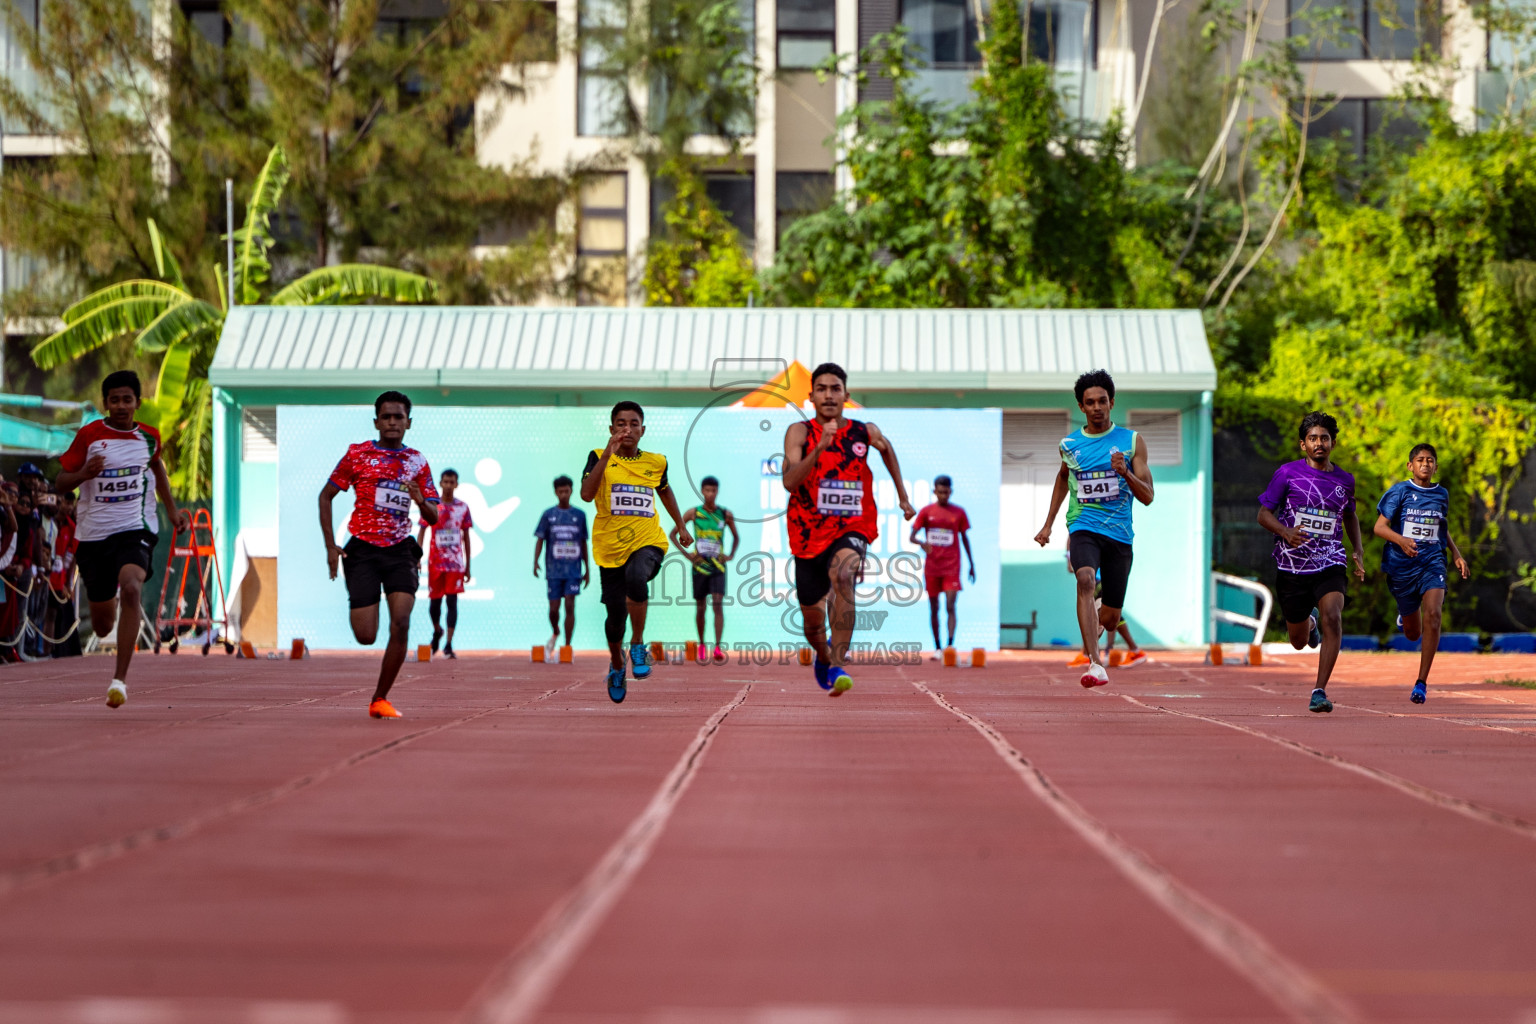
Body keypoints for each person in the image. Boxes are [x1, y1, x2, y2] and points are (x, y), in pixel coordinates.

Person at [54, 370, 191, 706]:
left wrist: (172, 513)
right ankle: (109, 603)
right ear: (105, 403)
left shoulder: (149, 438)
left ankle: (120, 681)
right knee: (102, 626)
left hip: (135, 529)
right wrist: (85, 473)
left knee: (132, 586)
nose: (120, 405)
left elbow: (157, 468)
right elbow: (60, 482)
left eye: (126, 399)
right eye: (114, 399)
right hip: (94, 536)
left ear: (137, 403)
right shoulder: (89, 436)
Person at [784, 362, 916, 696]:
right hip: (807, 534)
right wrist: (819, 447)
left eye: (836, 389)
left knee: (844, 575)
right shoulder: (799, 432)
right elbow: (789, 481)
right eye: (822, 389)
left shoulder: (863, 431)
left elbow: (887, 451)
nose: (829, 395)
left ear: (846, 395)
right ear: (811, 395)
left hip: (852, 526)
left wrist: (902, 496)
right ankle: (823, 655)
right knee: (812, 622)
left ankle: (838, 663)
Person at [318, 390, 440, 718]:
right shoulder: (357, 455)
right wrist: (331, 545)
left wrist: (419, 499)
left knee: (401, 622)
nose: (392, 422)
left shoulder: (417, 461)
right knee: (366, 635)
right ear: (376, 421)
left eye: (398, 417)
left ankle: (379, 698)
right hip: (362, 551)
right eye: (386, 416)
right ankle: (363, 610)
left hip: (401, 549)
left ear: (408, 423)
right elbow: (325, 496)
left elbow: (434, 516)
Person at [1034, 369, 1154, 689]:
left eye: (1103, 401)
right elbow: (1062, 478)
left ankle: (1098, 624)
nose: (1097, 407)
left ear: (1112, 403)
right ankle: (1095, 662)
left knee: (1112, 617)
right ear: (1081, 406)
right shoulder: (1070, 445)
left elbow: (1148, 497)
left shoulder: (1130, 441)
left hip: (1119, 536)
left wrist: (1126, 473)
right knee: (1084, 579)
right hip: (1083, 525)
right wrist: (1047, 525)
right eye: (1090, 402)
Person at [580, 401, 691, 703]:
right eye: (620, 423)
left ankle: (638, 644)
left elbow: (664, 490)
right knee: (615, 617)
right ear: (611, 429)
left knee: (636, 576)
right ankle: (617, 664)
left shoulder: (656, 462)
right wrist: (608, 453)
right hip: (609, 548)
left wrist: (681, 525)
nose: (627, 429)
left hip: (648, 541)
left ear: (643, 429)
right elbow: (587, 494)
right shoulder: (597, 457)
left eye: (633, 424)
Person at [1257, 410, 1366, 714]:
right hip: (1292, 565)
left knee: (1334, 614)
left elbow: (1349, 515)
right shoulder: (1287, 474)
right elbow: (1263, 514)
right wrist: (1285, 531)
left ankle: (1319, 690)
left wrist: (1357, 550)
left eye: (1325, 438)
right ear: (1303, 444)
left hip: (1330, 559)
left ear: (1333, 442)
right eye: (1313, 438)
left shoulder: (1345, 480)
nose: (1319, 443)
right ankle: (1310, 621)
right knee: (1298, 641)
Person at [1373, 443, 1469, 705]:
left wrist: (1457, 554)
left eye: (1430, 460)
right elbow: (1379, 527)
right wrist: (1401, 540)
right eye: (1420, 460)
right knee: (1413, 633)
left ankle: (1421, 682)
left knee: (1434, 614)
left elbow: (1441, 526)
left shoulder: (1442, 494)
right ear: (1410, 466)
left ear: (1436, 466)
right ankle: (1406, 616)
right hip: (1402, 566)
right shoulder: (1399, 491)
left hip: (1433, 561)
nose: (1425, 464)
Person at [672, 475, 738, 663]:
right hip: (699, 567)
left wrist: (730, 555)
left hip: (718, 566)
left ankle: (717, 647)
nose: (710, 494)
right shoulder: (694, 513)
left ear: (717, 491)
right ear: (702, 491)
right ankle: (702, 644)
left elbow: (736, 537)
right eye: (707, 490)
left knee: (717, 605)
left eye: (713, 491)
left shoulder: (725, 514)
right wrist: (688, 555)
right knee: (700, 607)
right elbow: (673, 534)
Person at [910, 475, 974, 652]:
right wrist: (922, 543)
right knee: (934, 607)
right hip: (932, 567)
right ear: (934, 492)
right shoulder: (926, 512)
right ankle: (937, 647)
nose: (944, 496)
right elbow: (912, 536)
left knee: (950, 605)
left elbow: (964, 538)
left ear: (950, 491)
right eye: (940, 492)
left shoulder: (958, 513)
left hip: (952, 566)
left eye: (946, 492)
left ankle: (950, 646)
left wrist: (972, 564)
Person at [417, 467, 472, 659]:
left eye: (452, 482)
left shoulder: (463, 508)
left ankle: (448, 643)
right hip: (436, 563)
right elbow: (422, 530)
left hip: (455, 564)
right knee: (435, 604)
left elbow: (466, 537)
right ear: (440, 483)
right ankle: (437, 629)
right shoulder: (432, 506)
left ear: (456, 484)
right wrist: (417, 556)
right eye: (445, 482)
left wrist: (468, 566)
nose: (448, 485)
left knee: (452, 602)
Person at [533, 475, 590, 659]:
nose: (564, 494)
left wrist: (587, 569)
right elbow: (540, 539)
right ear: (555, 492)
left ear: (571, 490)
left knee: (570, 605)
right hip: (553, 570)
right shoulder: (548, 515)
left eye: (567, 491)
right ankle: (556, 630)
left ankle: (567, 646)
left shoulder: (580, 515)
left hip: (573, 571)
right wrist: (535, 562)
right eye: (560, 491)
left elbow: (583, 543)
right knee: (554, 609)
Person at [47, 490, 82, 659]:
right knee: (41, 612)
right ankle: (40, 649)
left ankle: (50, 651)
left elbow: (73, 557)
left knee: (54, 613)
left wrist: (69, 584)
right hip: (44, 574)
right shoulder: (48, 521)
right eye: (65, 502)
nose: (68, 507)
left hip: (59, 580)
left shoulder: (72, 527)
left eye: (71, 503)